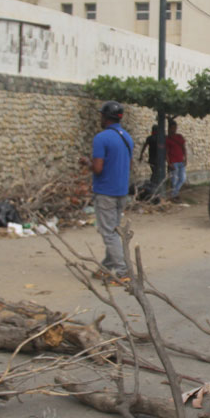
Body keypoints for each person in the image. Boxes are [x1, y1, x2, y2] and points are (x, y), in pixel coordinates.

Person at [83, 101, 134, 284]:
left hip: (105, 191)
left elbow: (98, 168)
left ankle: (123, 271)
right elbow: (126, 164)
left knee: (108, 233)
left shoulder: (101, 138)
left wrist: (87, 163)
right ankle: (106, 268)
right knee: (113, 230)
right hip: (121, 191)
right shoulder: (127, 137)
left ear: (105, 117)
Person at [166, 119, 186, 199]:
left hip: (181, 161)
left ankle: (174, 193)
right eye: (173, 128)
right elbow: (166, 153)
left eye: (175, 127)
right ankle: (174, 195)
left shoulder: (179, 137)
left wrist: (185, 158)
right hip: (173, 162)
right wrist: (169, 163)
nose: (174, 129)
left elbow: (183, 148)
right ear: (170, 128)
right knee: (174, 179)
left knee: (182, 178)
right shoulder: (167, 139)